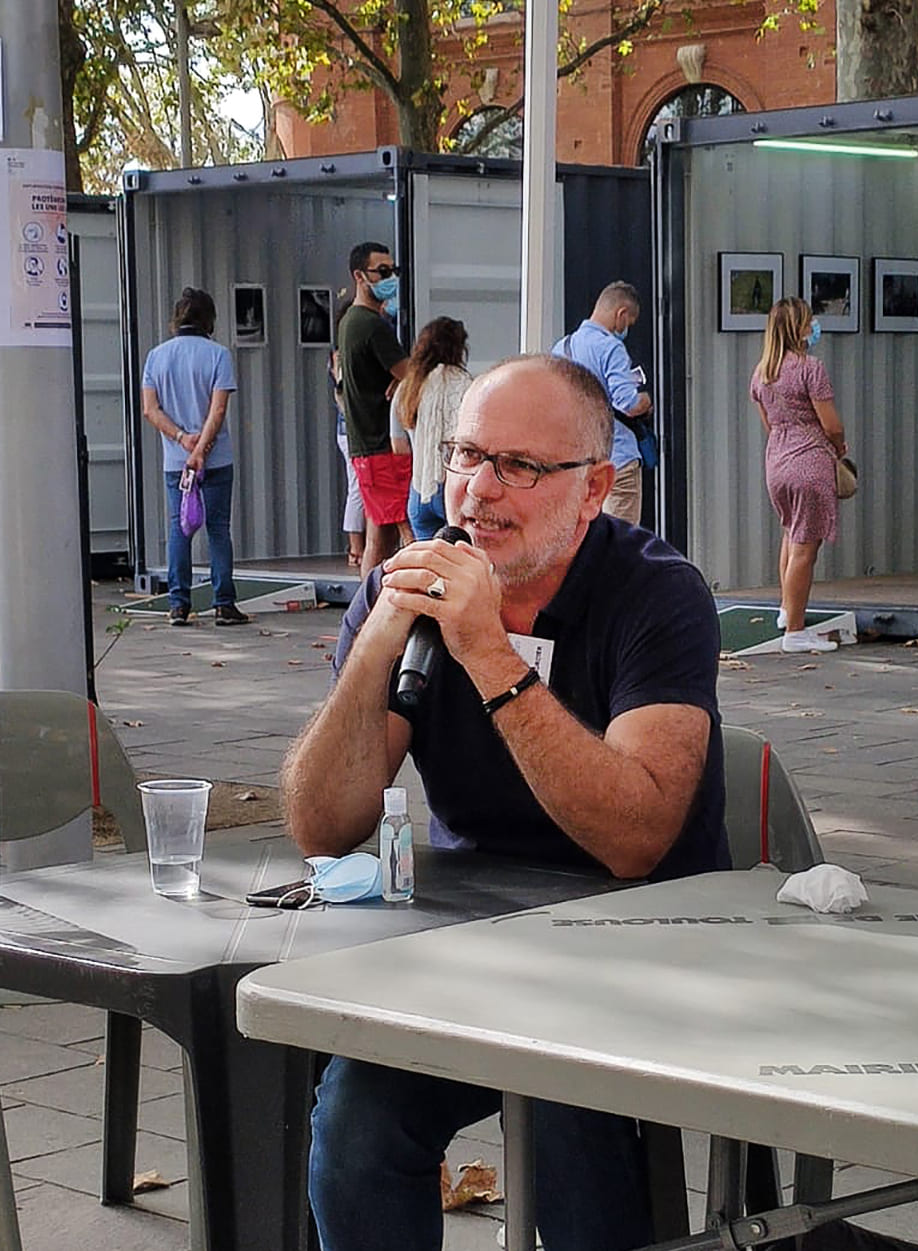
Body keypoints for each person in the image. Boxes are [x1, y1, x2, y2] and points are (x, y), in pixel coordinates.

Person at [282, 353, 728, 1251]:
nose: (478, 489)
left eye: (518, 466)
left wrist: (488, 651)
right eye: (465, 455)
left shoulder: (656, 592)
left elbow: (635, 838)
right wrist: (376, 644)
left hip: (645, 945)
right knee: (358, 1120)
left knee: (566, 1109)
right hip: (478, 943)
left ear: (592, 488)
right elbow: (323, 827)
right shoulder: (407, 588)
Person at [141, 286, 250, 627]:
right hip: (215, 459)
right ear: (209, 320)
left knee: (179, 528)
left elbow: (150, 410)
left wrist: (181, 438)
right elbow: (218, 411)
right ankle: (224, 604)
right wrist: (202, 448)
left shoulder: (156, 357)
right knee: (218, 529)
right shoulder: (218, 355)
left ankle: (178, 604)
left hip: (177, 461)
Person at [749, 297, 848, 654]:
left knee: (791, 533)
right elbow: (831, 424)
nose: (814, 327)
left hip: (777, 462)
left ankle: (785, 610)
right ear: (798, 329)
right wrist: (839, 446)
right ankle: (795, 631)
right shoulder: (810, 368)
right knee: (806, 548)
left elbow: (769, 423)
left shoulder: (762, 373)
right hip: (809, 461)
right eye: (809, 322)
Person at [337, 241, 411, 578]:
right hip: (382, 445)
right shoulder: (371, 325)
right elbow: (411, 374)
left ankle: (370, 602)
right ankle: (373, 602)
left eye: (392, 271)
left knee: (380, 533)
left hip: (366, 445)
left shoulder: (351, 321)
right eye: (381, 272)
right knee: (400, 532)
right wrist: (404, 379)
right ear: (359, 276)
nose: (389, 278)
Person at [553, 281, 652, 526]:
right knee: (620, 537)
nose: (626, 328)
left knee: (582, 534)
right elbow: (627, 403)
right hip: (616, 457)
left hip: (577, 459)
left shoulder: (561, 348)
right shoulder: (611, 348)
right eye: (629, 323)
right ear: (621, 314)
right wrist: (645, 401)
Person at [389, 316, 471, 540]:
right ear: (459, 349)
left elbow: (399, 447)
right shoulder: (465, 385)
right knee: (457, 556)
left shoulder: (406, 389)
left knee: (428, 558)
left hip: (419, 490)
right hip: (452, 488)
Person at [331, 293, 365, 568]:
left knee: (358, 487)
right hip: (352, 428)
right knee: (357, 488)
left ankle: (357, 546)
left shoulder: (340, 353)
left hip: (347, 427)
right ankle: (356, 548)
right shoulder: (341, 355)